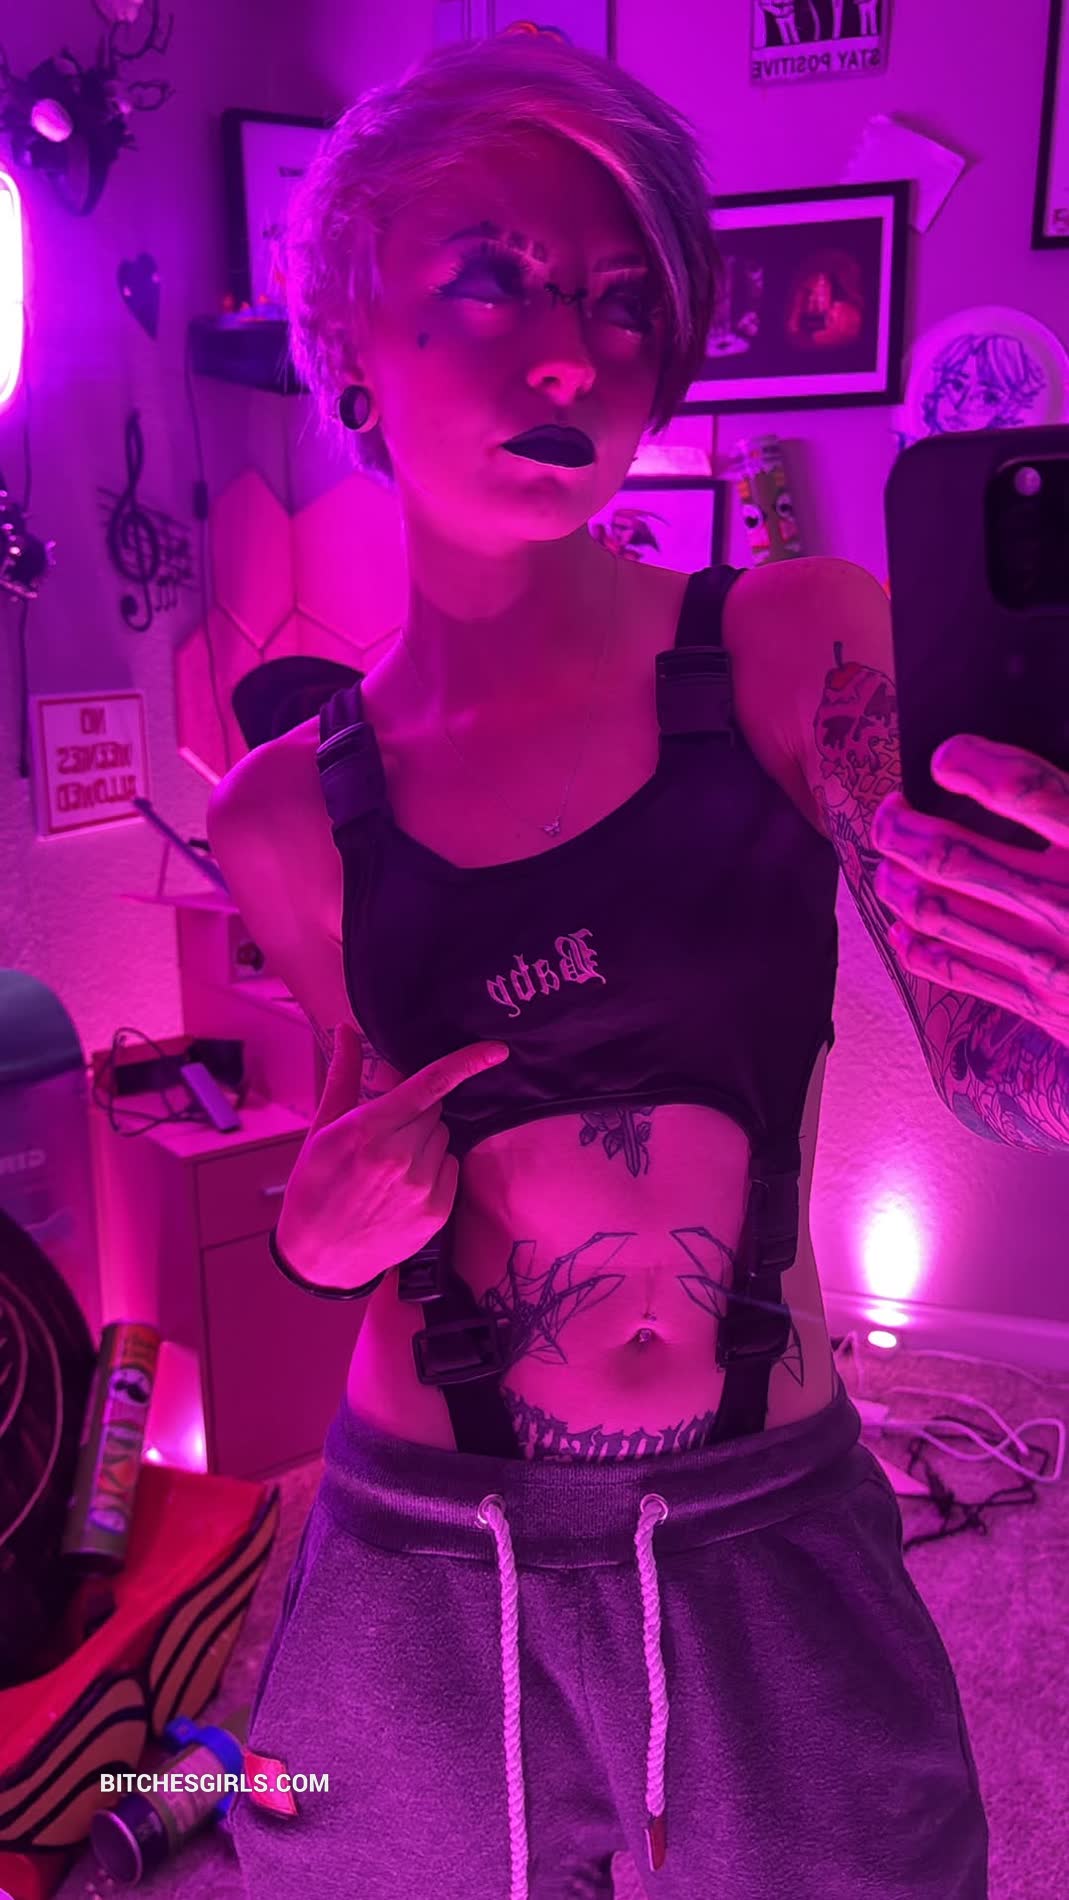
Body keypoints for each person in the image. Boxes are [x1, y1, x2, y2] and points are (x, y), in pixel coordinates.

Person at [207, 32, 988, 1900]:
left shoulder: (794, 646)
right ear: (345, 338)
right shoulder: (282, 814)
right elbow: (363, 1151)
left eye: (627, 302)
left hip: (759, 1516)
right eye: (494, 278)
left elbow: (1008, 1069)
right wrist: (313, 1237)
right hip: (423, 1547)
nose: (575, 356)